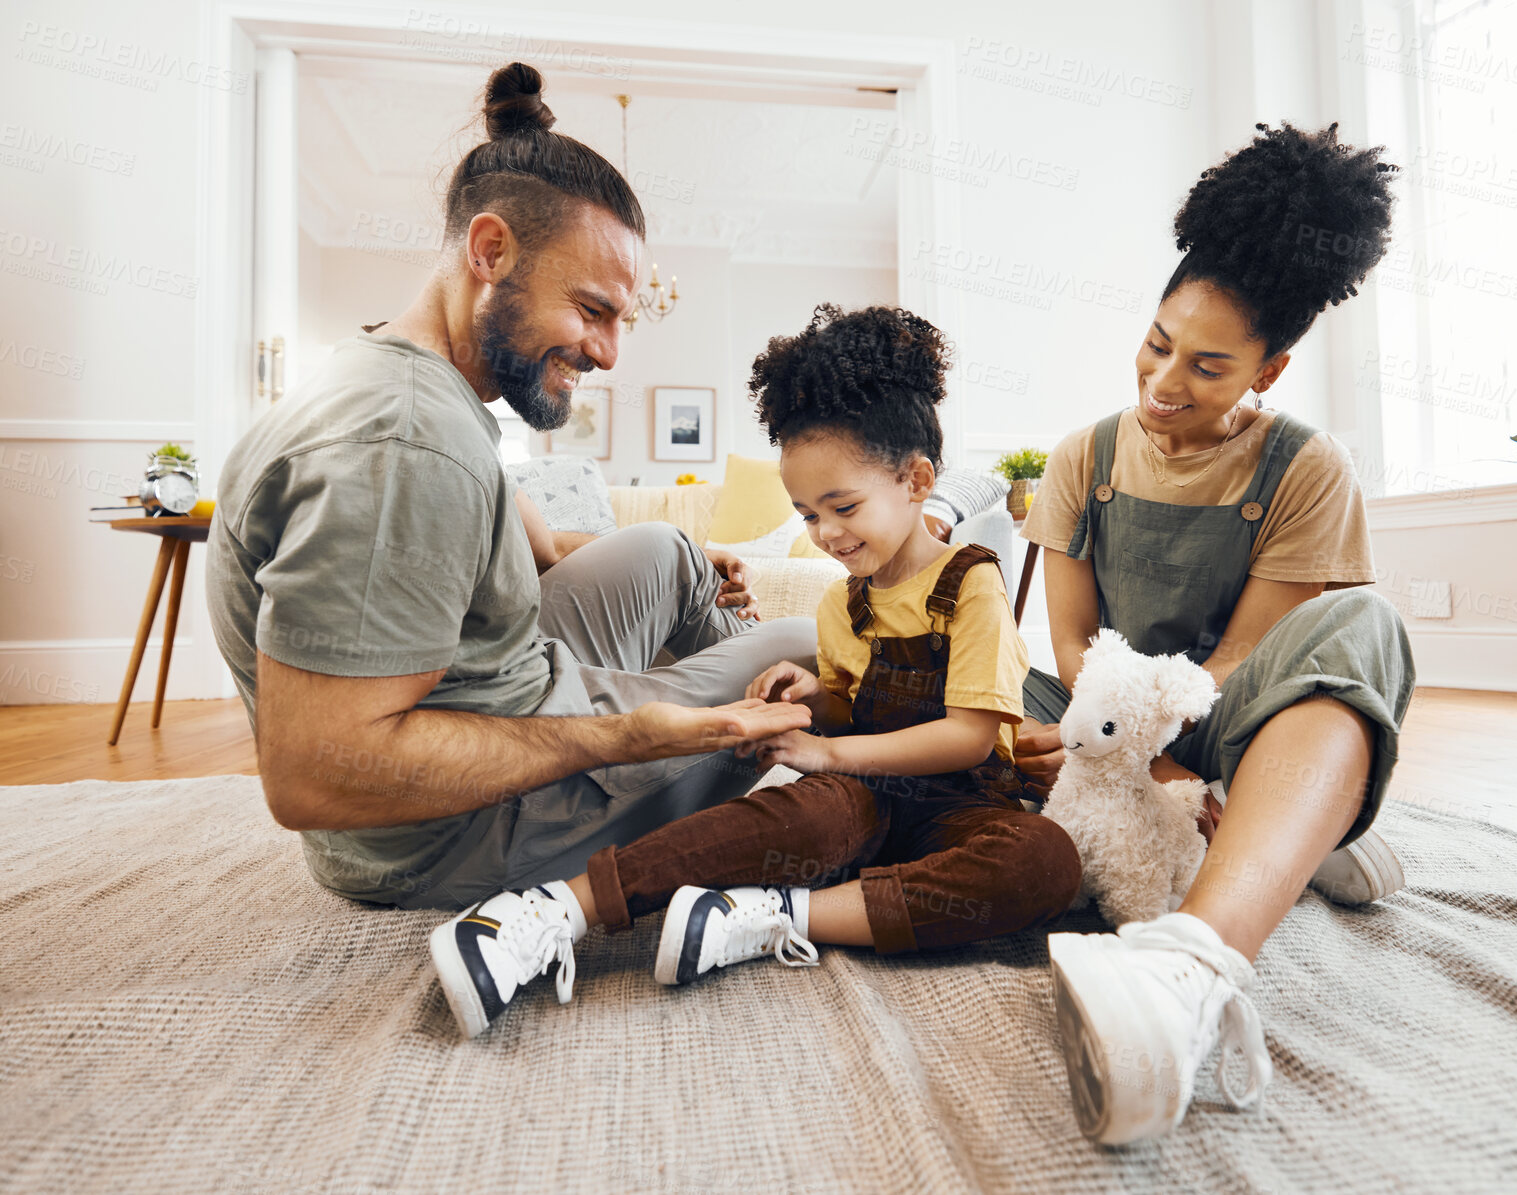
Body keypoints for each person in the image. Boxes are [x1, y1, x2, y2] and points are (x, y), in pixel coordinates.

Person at [205, 62, 815, 913]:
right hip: (460, 826)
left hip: (510, 693)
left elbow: (542, 548)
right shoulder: (405, 444)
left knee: (674, 552)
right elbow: (318, 777)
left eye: (620, 321)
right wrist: (631, 734)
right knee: (814, 641)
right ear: (490, 251)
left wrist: (671, 563)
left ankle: (736, 726)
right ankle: (785, 753)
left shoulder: (411, 383)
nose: (609, 354)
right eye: (593, 310)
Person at [426, 304, 1083, 1039]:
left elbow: (967, 735)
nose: (827, 534)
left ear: (917, 479)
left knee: (1044, 862)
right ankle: (555, 910)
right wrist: (818, 700)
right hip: (865, 799)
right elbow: (853, 702)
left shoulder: (972, 584)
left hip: (962, 804)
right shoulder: (843, 603)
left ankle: (773, 915)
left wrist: (829, 749)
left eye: (843, 506)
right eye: (807, 514)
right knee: (795, 813)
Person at [1015, 124, 1416, 1144]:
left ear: (1267, 372)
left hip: (1212, 707)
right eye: (1156, 343)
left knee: (1361, 625)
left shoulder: (1305, 469)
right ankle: (1295, 825)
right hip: (1103, 705)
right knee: (990, 714)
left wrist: (1175, 754)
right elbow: (1069, 648)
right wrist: (1133, 761)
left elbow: (1242, 662)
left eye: (1205, 365)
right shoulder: (1081, 457)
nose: (1161, 382)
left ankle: (1188, 969)